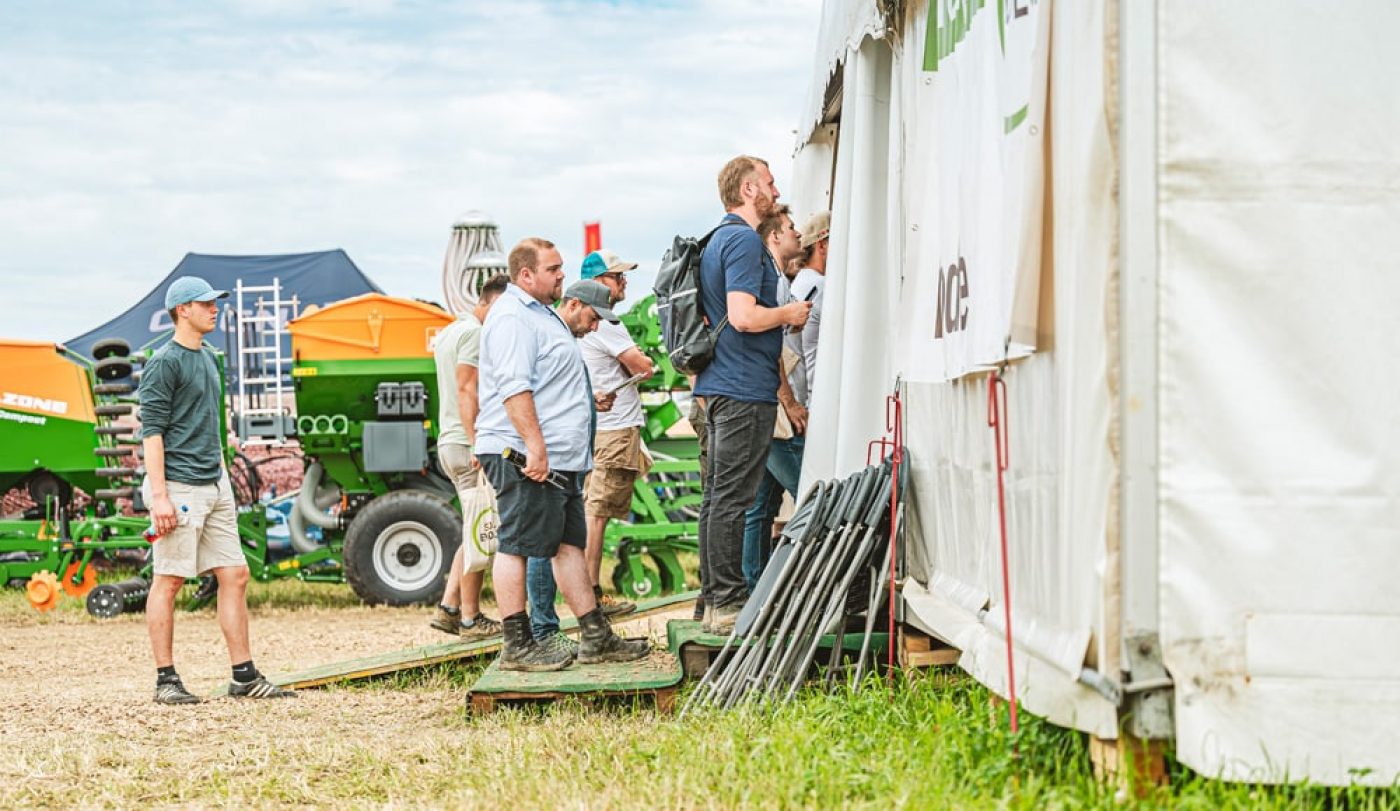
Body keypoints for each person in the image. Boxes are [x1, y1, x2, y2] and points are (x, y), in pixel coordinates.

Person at [475, 239, 649, 671]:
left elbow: (550, 382)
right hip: (525, 454)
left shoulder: (542, 316)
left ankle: (594, 635)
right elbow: (515, 387)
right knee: (516, 545)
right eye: (553, 269)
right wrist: (534, 447)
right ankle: (518, 643)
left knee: (570, 544)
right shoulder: (514, 317)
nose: (561, 275)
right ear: (525, 275)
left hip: (559, 459)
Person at [138, 276, 294, 703]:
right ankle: (165, 680)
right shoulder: (163, 361)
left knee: (235, 574)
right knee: (168, 581)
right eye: (205, 303)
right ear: (182, 310)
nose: (215, 308)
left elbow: (208, 421)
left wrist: (224, 472)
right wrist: (160, 496)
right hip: (180, 486)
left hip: (214, 480)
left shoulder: (208, 358)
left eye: (214, 302)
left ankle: (243, 677)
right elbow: (152, 433)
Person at [693, 156, 811, 634]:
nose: (775, 188)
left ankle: (712, 599)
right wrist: (789, 315)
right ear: (748, 190)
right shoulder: (742, 240)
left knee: (718, 496)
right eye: (769, 181)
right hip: (743, 387)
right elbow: (743, 316)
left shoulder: (717, 240)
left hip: (722, 384)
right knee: (732, 499)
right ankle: (727, 602)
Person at [428, 273, 510, 639]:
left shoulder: (449, 331)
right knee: (482, 528)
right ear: (492, 302)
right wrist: (479, 440)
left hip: (450, 439)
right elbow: (466, 388)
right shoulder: (476, 334)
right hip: (467, 442)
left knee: (472, 525)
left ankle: (449, 607)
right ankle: (470, 617)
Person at [577, 249, 655, 617]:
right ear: (598, 282)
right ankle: (591, 595)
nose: (624, 283)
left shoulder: (587, 326)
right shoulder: (608, 324)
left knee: (595, 510)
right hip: (615, 430)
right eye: (617, 276)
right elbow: (643, 366)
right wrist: (642, 362)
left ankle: (588, 591)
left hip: (599, 430)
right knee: (598, 513)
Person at [741, 205, 810, 589]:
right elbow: (771, 348)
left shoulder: (777, 278)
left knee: (760, 506)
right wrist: (789, 401)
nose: (796, 233)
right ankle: (803, 582)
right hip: (776, 406)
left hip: (767, 401)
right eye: (790, 227)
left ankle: (756, 585)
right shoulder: (775, 282)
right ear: (773, 237)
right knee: (809, 489)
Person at [790, 211, 830, 393]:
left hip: (806, 391)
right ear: (821, 246)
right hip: (816, 395)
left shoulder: (800, 281)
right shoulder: (820, 286)